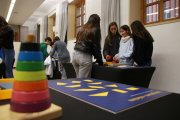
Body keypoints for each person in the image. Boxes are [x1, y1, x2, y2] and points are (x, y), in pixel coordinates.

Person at [72, 14, 103, 78]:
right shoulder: (96, 29)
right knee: (84, 83)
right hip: (84, 57)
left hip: (75, 55)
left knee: (78, 81)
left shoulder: (83, 28)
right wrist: (100, 61)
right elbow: (96, 46)